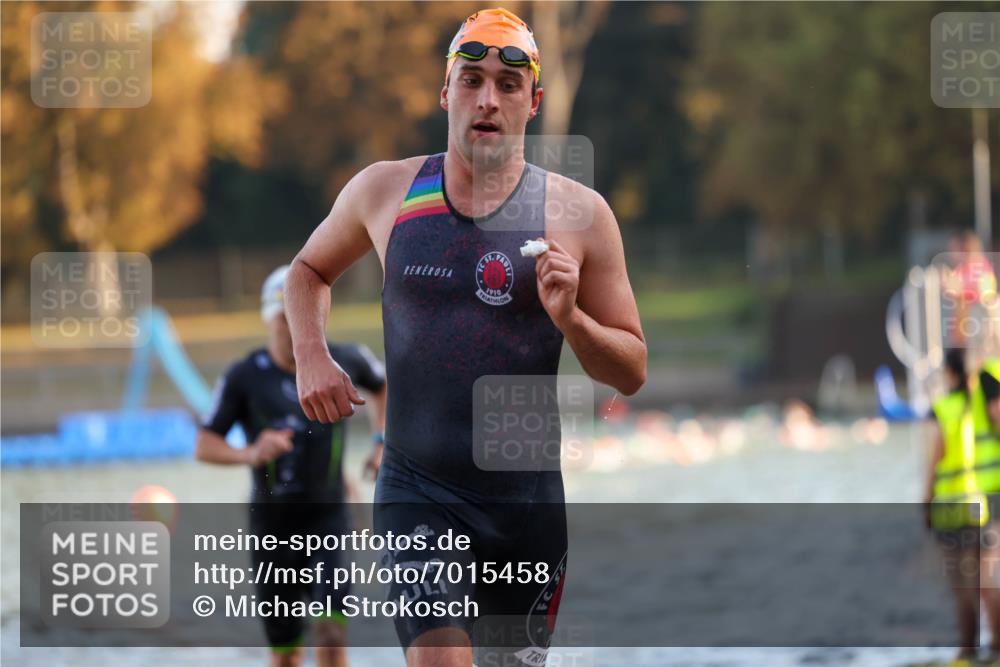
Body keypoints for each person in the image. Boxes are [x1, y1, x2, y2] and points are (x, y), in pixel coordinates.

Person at [284, 7, 646, 667]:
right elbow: (307, 271)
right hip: (417, 490)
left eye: (508, 87)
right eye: (471, 80)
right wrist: (311, 353)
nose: (488, 99)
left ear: (532, 102)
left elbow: (630, 369)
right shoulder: (385, 192)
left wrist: (573, 320)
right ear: (444, 91)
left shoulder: (581, 217)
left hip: (527, 510)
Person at [196, 265, 388, 667]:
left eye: (305, 318)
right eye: (286, 319)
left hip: (329, 518)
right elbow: (204, 444)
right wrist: (250, 453)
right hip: (272, 527)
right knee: (285, 655)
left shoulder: (346, 359)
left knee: (331, 632)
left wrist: (380, 441)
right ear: (270, 320)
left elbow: (384, 385)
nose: (296, 329)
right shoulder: (244, 376)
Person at [924, 350, 1000, 661]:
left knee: (961, 585)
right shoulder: (986, 407)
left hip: (950, 508)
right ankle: (997, 647)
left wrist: (924, 503)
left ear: (950, 375)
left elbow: (933, 462)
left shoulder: (943, 408)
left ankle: (968, 649)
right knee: (987, 582)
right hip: (984, 504)